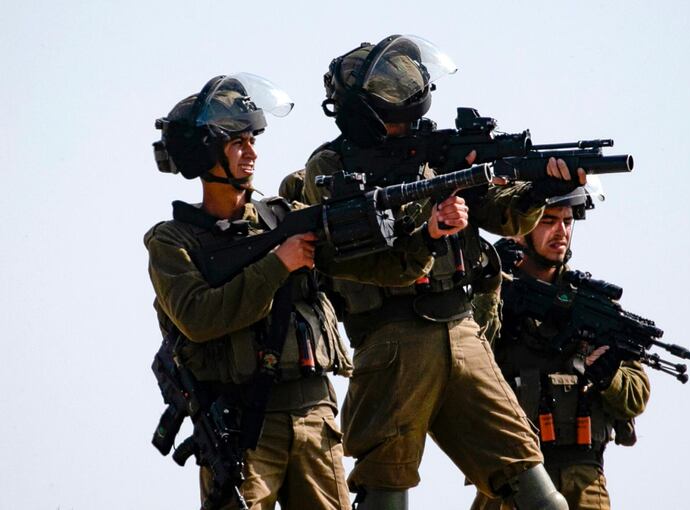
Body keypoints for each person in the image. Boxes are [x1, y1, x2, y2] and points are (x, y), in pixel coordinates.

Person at [303, 34, 586, 509]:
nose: (406, 116)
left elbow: (505, 217)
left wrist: (538, 189)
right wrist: (429, 230)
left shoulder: (436, 151)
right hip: (392, 338)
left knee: (534, 487)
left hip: (461, 330)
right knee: (386, 492)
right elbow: (360, 257)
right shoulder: (331, 166)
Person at [144, 73, 450, 510]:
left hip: (315, 417)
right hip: (242, 423)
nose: (252, 153)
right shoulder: (173, 243)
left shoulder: (286, 218)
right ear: (206, 155)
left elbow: (377, 266)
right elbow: (199, 318)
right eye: (237, 143)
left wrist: (430, 237)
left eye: (253, 140)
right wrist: (277, 264)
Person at [471, 184, 651, 510]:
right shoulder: (489, 290)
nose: (561, 231)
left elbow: (636, 396)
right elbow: (467, 354)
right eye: (548, 220)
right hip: (508, 474)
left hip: (582, 476)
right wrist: (490, 280)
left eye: (567, 221)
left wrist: (609, 377)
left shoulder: (593, 305)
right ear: (520, 230)